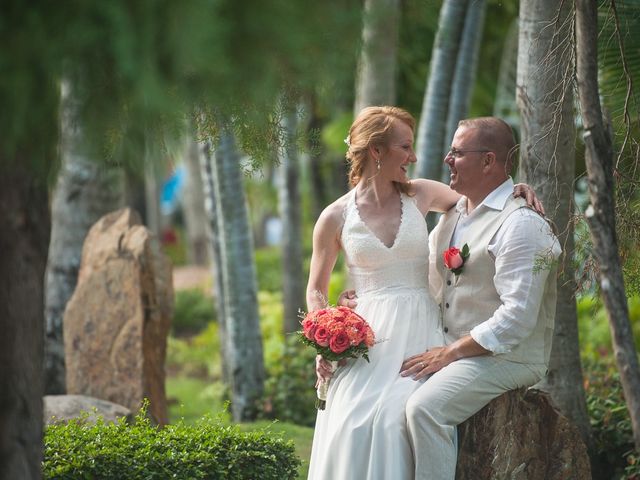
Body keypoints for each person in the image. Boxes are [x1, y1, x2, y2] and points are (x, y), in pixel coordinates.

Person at [306, 107, 542, 480]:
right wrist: (327, 338)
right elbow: (316, 289)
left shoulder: (422, 194)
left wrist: (517, 190)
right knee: (349, 418)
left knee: (393, 419)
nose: (414, 157)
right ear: (377, 151)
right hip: (367, 335)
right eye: (405, 147)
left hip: (420, 327)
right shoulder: (334, 217)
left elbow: (480, 200)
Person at [397, 117, 561, 479]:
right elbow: (425, 278)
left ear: (488, 161)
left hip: (509, 355)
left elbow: (517, 319)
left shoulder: (523, 225)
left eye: (457, 152)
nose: (446, 159)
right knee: (387, 393)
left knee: (426, 409)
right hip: (451, 341)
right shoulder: (456, 211)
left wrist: (450, 353)